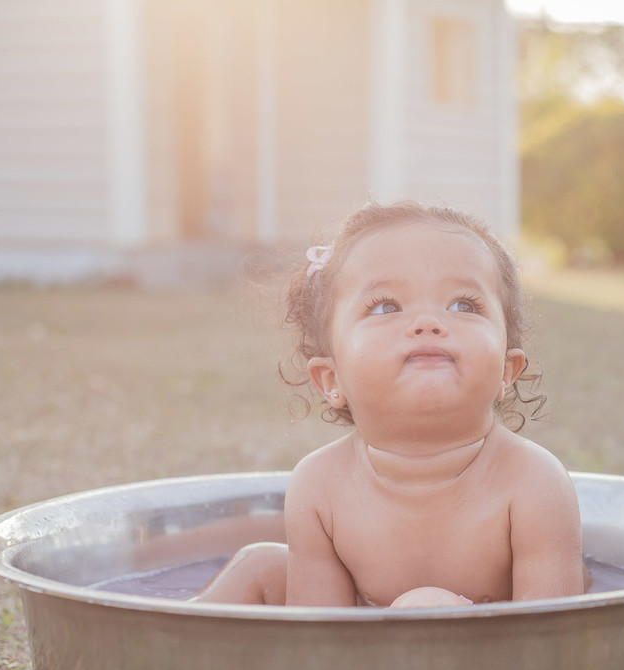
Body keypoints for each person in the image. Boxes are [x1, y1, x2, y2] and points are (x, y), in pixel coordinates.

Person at [192, 201, 585, 608]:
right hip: (368, 650)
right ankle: (158, 646)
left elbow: (553, 645)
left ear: (507, 370)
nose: (428, 322)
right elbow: (321, 641)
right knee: (257, 565)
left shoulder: (533, 483)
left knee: (426, 605)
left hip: (486, 658)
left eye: (463, 305)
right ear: (332, 380)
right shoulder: (320, 486)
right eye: (386, 307)